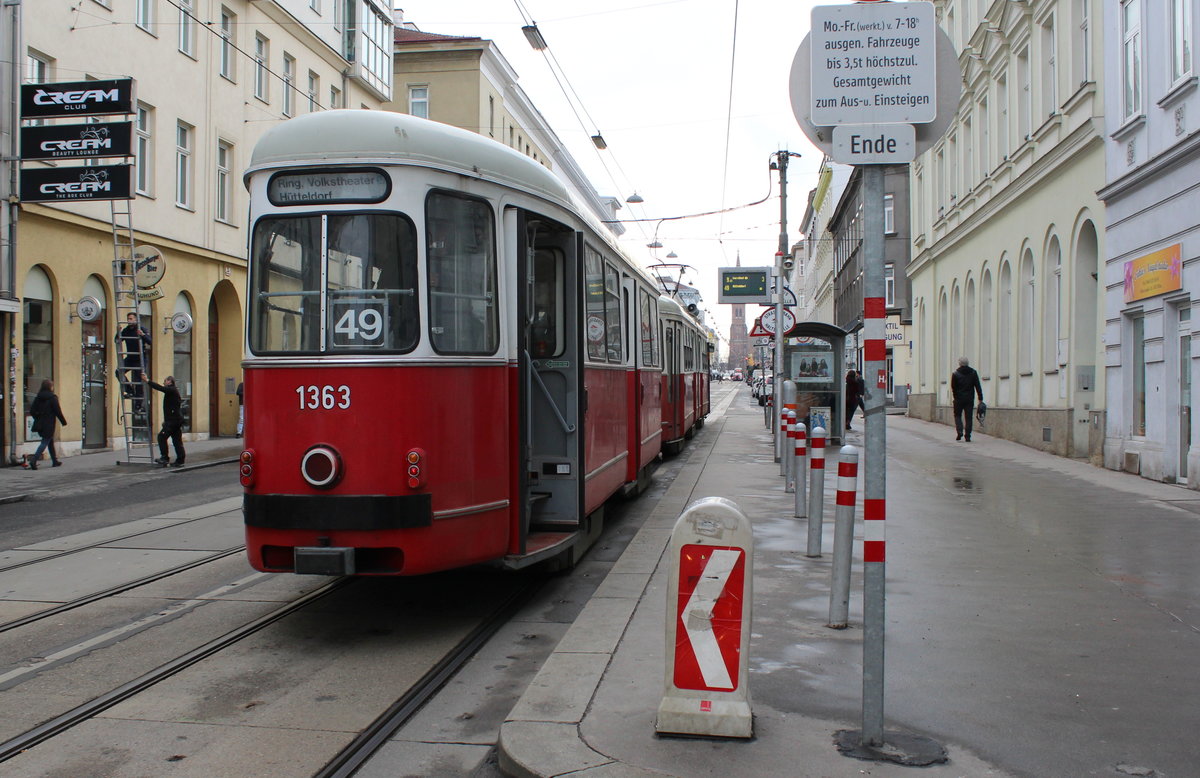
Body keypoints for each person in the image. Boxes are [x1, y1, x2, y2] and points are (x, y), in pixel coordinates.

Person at [143, 372, 185, 466]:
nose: (163, 382)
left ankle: (165, 458)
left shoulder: (171, 390)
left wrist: (148, 381)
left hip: (173, 421)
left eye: (165, 381)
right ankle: (180, 460)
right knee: (177, 441)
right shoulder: (173, 391)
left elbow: (160, 388)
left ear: (169, 381)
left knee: (161, 437)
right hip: (175, 420)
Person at [27, 379, 67, 469]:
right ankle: (34, 460)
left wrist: (38, 417)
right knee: (45, 441)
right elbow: (58, 411)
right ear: (50, 387)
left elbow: (32, 411)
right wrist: (63, 421)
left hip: (40, 423)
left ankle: (55, 461)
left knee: (50, 441)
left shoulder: (38, 397)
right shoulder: (53, 397)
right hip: (49, 423)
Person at [115, 312, 151, 407]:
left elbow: (150, 341)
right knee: (118, 372)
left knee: (139, 381)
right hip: (131, 358)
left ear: (136, 320)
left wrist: (143, 335)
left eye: (131, 319)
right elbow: (117, 341)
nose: (129, 321)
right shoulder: (126, 330)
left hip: (140, 359)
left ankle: (138, 405)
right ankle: (129, 390)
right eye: (128, 319)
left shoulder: (141, 329)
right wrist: (118, 333)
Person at [950, 356, 985, 442]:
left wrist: (955, 396)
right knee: (968, 417)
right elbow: (977, 386)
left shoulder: (955, 374)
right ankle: (968, 436)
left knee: (957, 415)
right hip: (969, 399)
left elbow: (953, 387)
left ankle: (960, 431)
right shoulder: (973, 373)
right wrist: (980, 398)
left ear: (959, 363)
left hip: (958, 399)